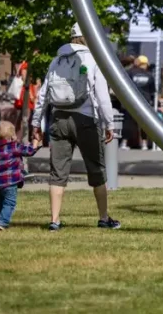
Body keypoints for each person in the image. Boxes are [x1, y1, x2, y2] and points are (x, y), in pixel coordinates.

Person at [32, 23, 120, 231]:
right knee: (96, 169)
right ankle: (103, 217)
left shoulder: (56, 60)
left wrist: (36, 123)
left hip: (58, 119)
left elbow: (43, 94)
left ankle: (54, 220)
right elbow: (103, 96)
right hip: (85, 119)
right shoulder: (93, 59)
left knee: (58, 172)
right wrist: (109, 124)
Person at [0, 121, 40, 230]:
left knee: (1, 201)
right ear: (12, 135)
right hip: (11, 181)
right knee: (9, 202)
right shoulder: (15, 147)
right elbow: (29, 151)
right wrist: (36, 141)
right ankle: (3, 223)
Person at [124, 55, 156, 150]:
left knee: (128, 122)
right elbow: (152, 90)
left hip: (131, 100)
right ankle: (144, 144)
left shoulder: (130, 72)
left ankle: (124, 142)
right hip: (144, 101)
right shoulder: (149, 75)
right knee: (144, 123)